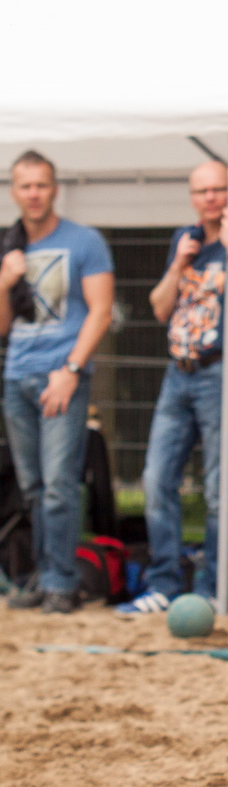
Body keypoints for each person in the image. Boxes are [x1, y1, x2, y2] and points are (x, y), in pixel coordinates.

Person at [120, 160, 228, 613]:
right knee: (155, 480)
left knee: (218, 488)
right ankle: (164, 584)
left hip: (225, 371)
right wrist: (177, 266)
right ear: (191, 197)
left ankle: (214, 587)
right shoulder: (183, 240)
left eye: (218, 189)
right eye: (201, 191)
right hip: (178, 372)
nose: (210, 198)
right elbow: (158, 308)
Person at [0, 150, 114, 614]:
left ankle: (62, 582)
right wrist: (3, 282)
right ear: (14, 191)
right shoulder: (9, 246)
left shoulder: (84, 241)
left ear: (55, 188)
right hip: (16, 376)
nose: (34, 194)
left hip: (61, 376)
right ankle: (43, 579)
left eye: (41, 185)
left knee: (58, 485)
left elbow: (101, 311)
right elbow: (3, 327)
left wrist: (71, 370)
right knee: (31, 487)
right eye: (25, 186)